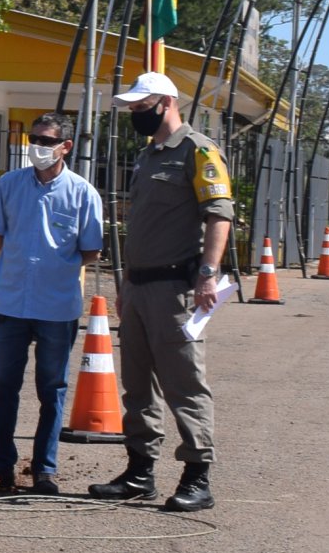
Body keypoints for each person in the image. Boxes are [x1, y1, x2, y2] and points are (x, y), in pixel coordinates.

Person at [87, 71, 231, 513]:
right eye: (132, 108)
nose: (135, 114)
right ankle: (139, 473)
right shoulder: (149, 156)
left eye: (140, 106)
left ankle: (197, 476)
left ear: (166, 102)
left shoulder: (199, 150)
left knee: (184, 383)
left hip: (175, 288)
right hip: (140, 286)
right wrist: (125, 284)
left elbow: (219, 214)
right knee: (138, 386)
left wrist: (208, 272)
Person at [0, 110, 105, 495]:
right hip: (10, 303)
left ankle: (45, 470)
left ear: (65, 147)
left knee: (52, 389)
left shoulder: (82, 192)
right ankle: (0, 467)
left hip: (55, 307)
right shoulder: (9, 184)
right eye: (35, 139)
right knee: (3, 388)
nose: (38, 147)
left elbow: (90, 250)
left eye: (47, 141)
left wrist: (51, 268)